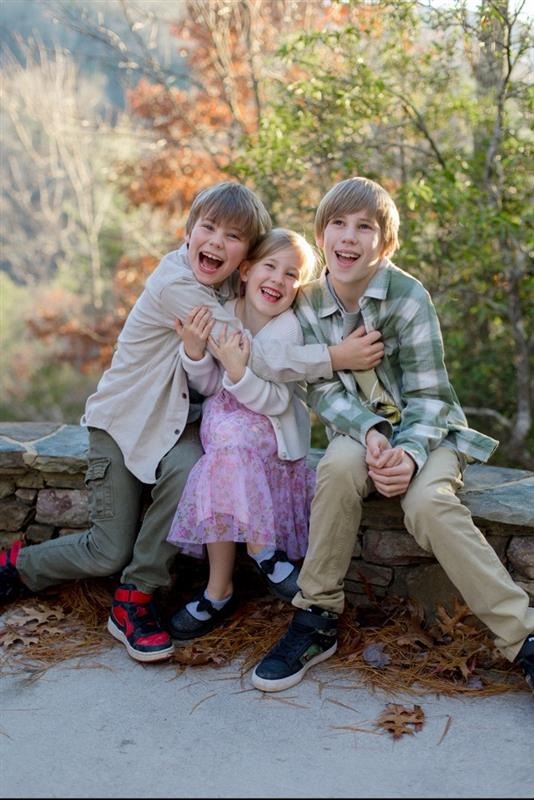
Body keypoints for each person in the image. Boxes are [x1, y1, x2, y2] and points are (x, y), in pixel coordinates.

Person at [0, 182, 384, 664]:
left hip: (178, 428)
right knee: (105, 551)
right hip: (124, 424)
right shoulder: (177, 285)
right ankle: (15, 567)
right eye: (209, 228)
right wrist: (335, 355)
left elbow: (239, 348)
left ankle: (134, 599)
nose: (217, 242)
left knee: (193, 470)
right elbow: (247, 351)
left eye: (233, 236)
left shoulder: (231, 287)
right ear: (188, 231)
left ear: (244, 256)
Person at [249, 176, 534, 694]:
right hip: (360, 431)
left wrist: (408, 453)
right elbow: (321, 390)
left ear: (386, 243)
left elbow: (429, 395)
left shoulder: (407, 297)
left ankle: (524, 637)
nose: (349, 236)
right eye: (338, 223)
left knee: (427, 504)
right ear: (321, 234)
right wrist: (371, 431)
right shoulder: (307, 303)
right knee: (336, 467)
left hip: (430, 433)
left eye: (365, 227)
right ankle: (316, 617)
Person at [166, 229, 318, 639]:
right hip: (224, 420)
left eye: (292, 275)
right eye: (270, 266)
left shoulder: (288, 328)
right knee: (225, 450)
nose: (278, 280)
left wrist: (238, 370)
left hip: (269, 428)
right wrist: (195, 352)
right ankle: (242, 568)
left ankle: (233, 575)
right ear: (247, 271)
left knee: (229, 449)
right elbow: (209, 385)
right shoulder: (223, 312)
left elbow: (277, 401)